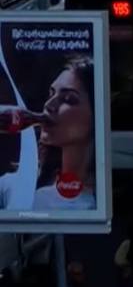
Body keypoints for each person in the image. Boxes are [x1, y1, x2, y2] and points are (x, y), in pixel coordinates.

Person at [33, 56, 97, 212]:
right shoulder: (35, 192)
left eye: (68, 99)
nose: (49, 105)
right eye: (51, 94)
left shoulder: (101, 200)